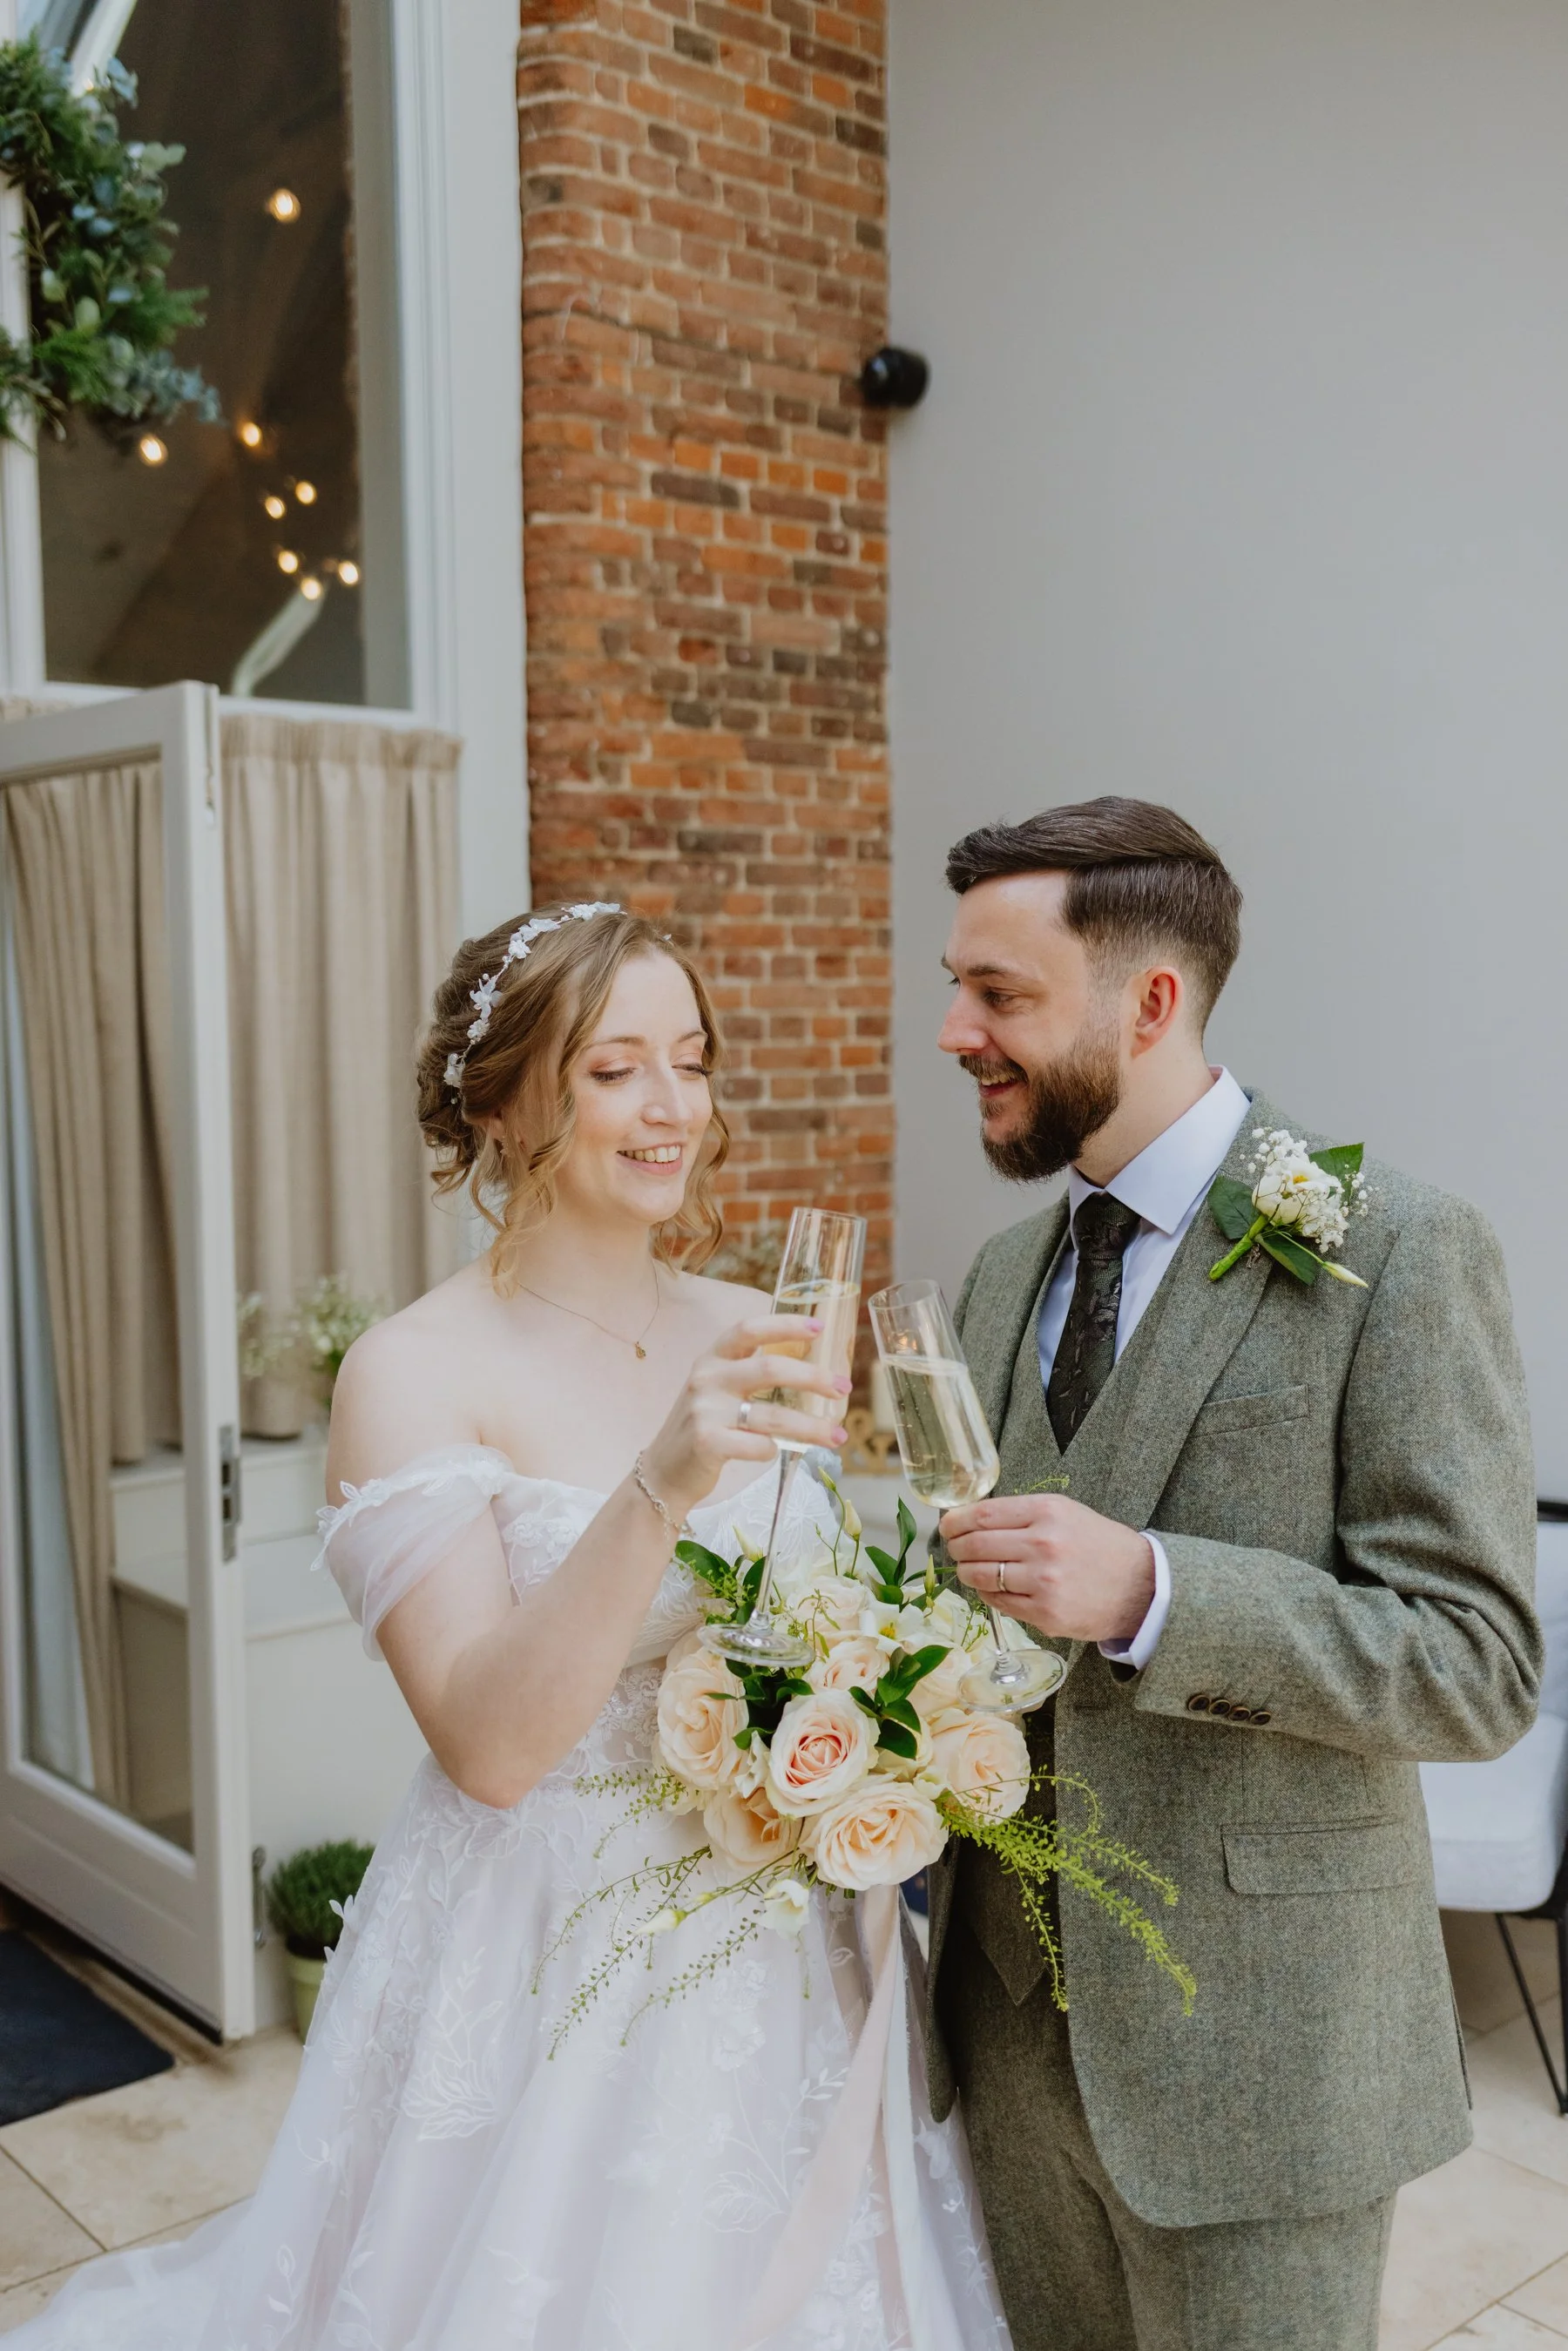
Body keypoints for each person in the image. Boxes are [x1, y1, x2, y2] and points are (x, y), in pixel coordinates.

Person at [15, 903, 1010, 2349]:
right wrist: (662, 1481)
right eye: (615, 1069)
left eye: (693, 1059)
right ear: (497, 1103)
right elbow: (488, 1743)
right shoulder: (413, 1372)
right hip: (548, 1942)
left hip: (786, 1937)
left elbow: (810, 1618)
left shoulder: (758, 1317)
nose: (673, 1108)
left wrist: (894, 1715)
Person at [926, 796, 1541, 2351]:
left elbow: (1476, 1663)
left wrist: (1153, 1593)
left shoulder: (1399, 1247)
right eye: (957, 986)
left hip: (1263, 2055)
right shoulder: (1002, 1274)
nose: (952, 1031)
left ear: (1152, 1000)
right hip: (1003, 2028)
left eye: (999, 994)